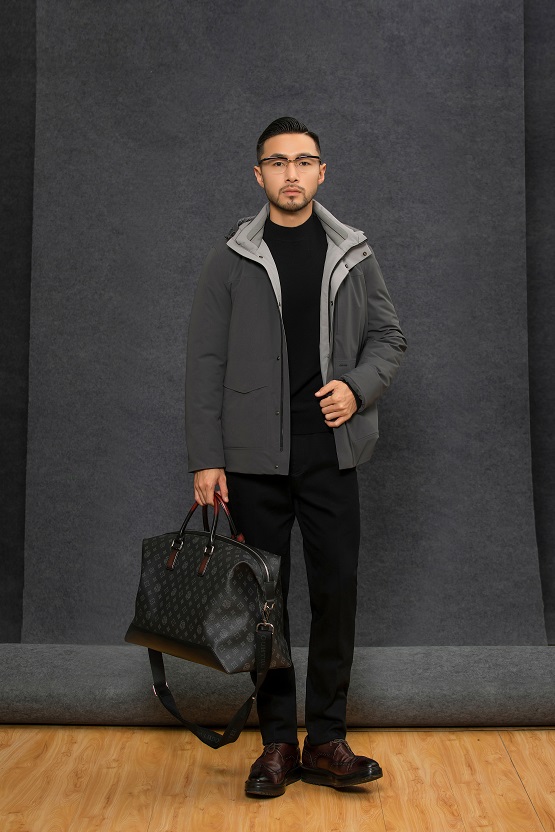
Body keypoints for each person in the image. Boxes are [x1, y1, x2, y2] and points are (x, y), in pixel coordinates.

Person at [184, 116, 407, 798]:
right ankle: (278, 743)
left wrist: (357, 388)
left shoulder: (353, 254)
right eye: (277, 162)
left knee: (336, 594)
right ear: (259, 174)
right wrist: (206, 458)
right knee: (264, 604)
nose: (291, 173)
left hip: (331, 452)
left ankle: (327, 739)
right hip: (252, 460)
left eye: (303, 161)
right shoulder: (231, 258)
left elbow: (388, 338)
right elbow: (204, 363)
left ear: (320, 172)